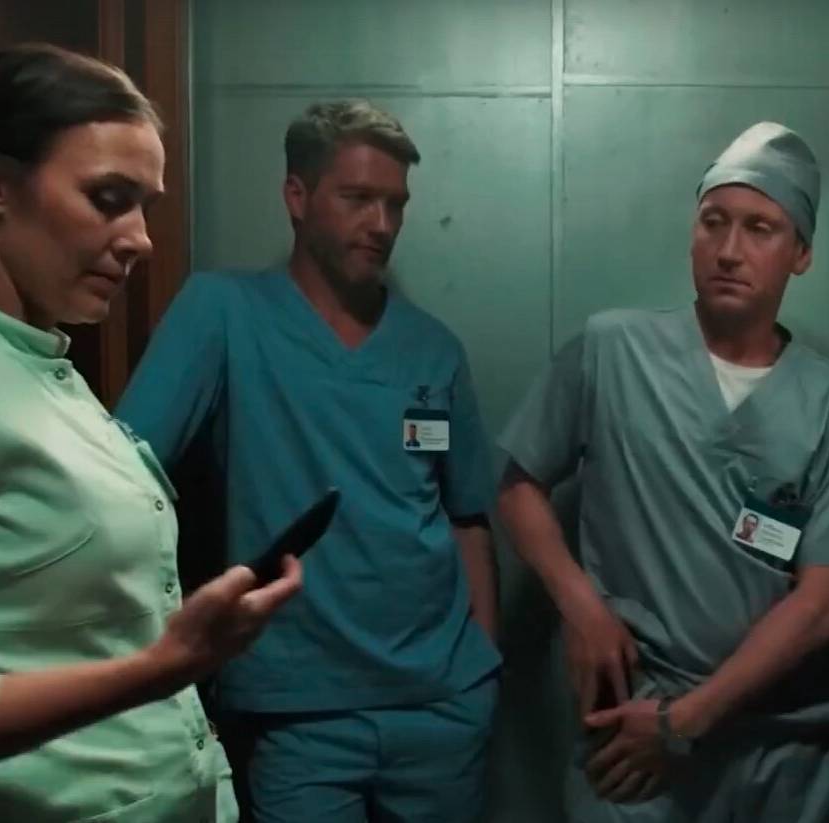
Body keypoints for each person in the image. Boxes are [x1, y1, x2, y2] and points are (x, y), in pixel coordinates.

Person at [117, 100, 500, 822]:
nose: (381, 224)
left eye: (396, 204)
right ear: (297, 196)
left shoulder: (432, 348)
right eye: (358, 198)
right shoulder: (223, 313)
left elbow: (467, 515)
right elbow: (117, 475)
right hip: (296, 709)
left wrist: (483, 667)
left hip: (441, 706)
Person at [0, 44, 301, 821]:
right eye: (108, 198)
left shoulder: (41, 361)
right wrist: (160, 667)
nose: (140, 238)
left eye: (145, 205)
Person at [498, 121, 829, 823]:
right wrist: (581, 606)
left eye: (760, 228)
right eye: (713, 222)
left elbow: (825, 603)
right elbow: (517, 484)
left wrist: (686, 721)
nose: (729, 250)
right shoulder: (613, 351)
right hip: (633, 735)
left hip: (777, 747)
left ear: (801, 254)